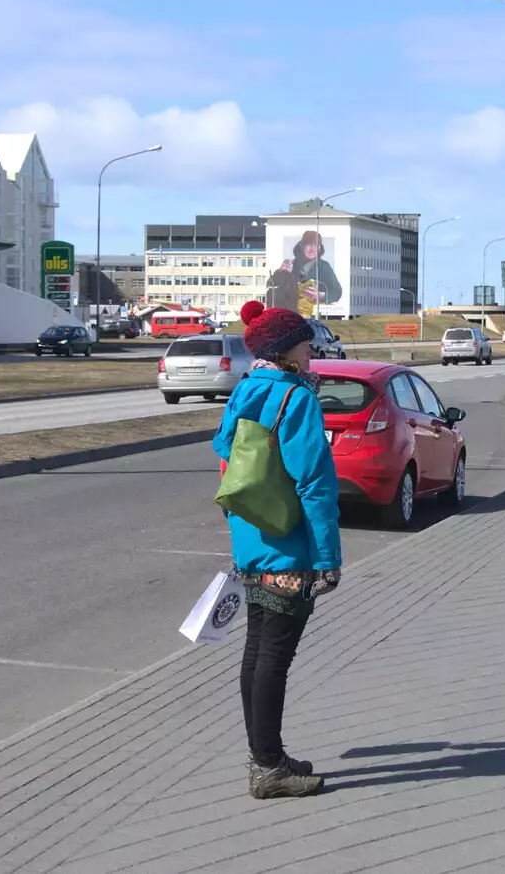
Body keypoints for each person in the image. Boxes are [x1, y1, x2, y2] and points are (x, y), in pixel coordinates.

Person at [212, 300, 342, 797]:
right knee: (274, 658)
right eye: (306, 342)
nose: (312, 349)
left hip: (253, 542)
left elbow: (226, 460)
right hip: (289, 551)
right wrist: (327, 557)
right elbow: (314, 484)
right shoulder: (297, 399)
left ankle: (265, 755)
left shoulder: (245, 390)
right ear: (286, 349)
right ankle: (268, 767)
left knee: (257, 651)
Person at [265, 231, 343, 316]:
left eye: (316, 245)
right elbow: (269, 285)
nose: (312, 249)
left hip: (312, 315)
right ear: (301, 246)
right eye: (309, 244)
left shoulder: (324, 267)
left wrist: (321, 296)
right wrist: (280, 272)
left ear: (320, 248)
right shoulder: (291, 264)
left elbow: (337, 292)